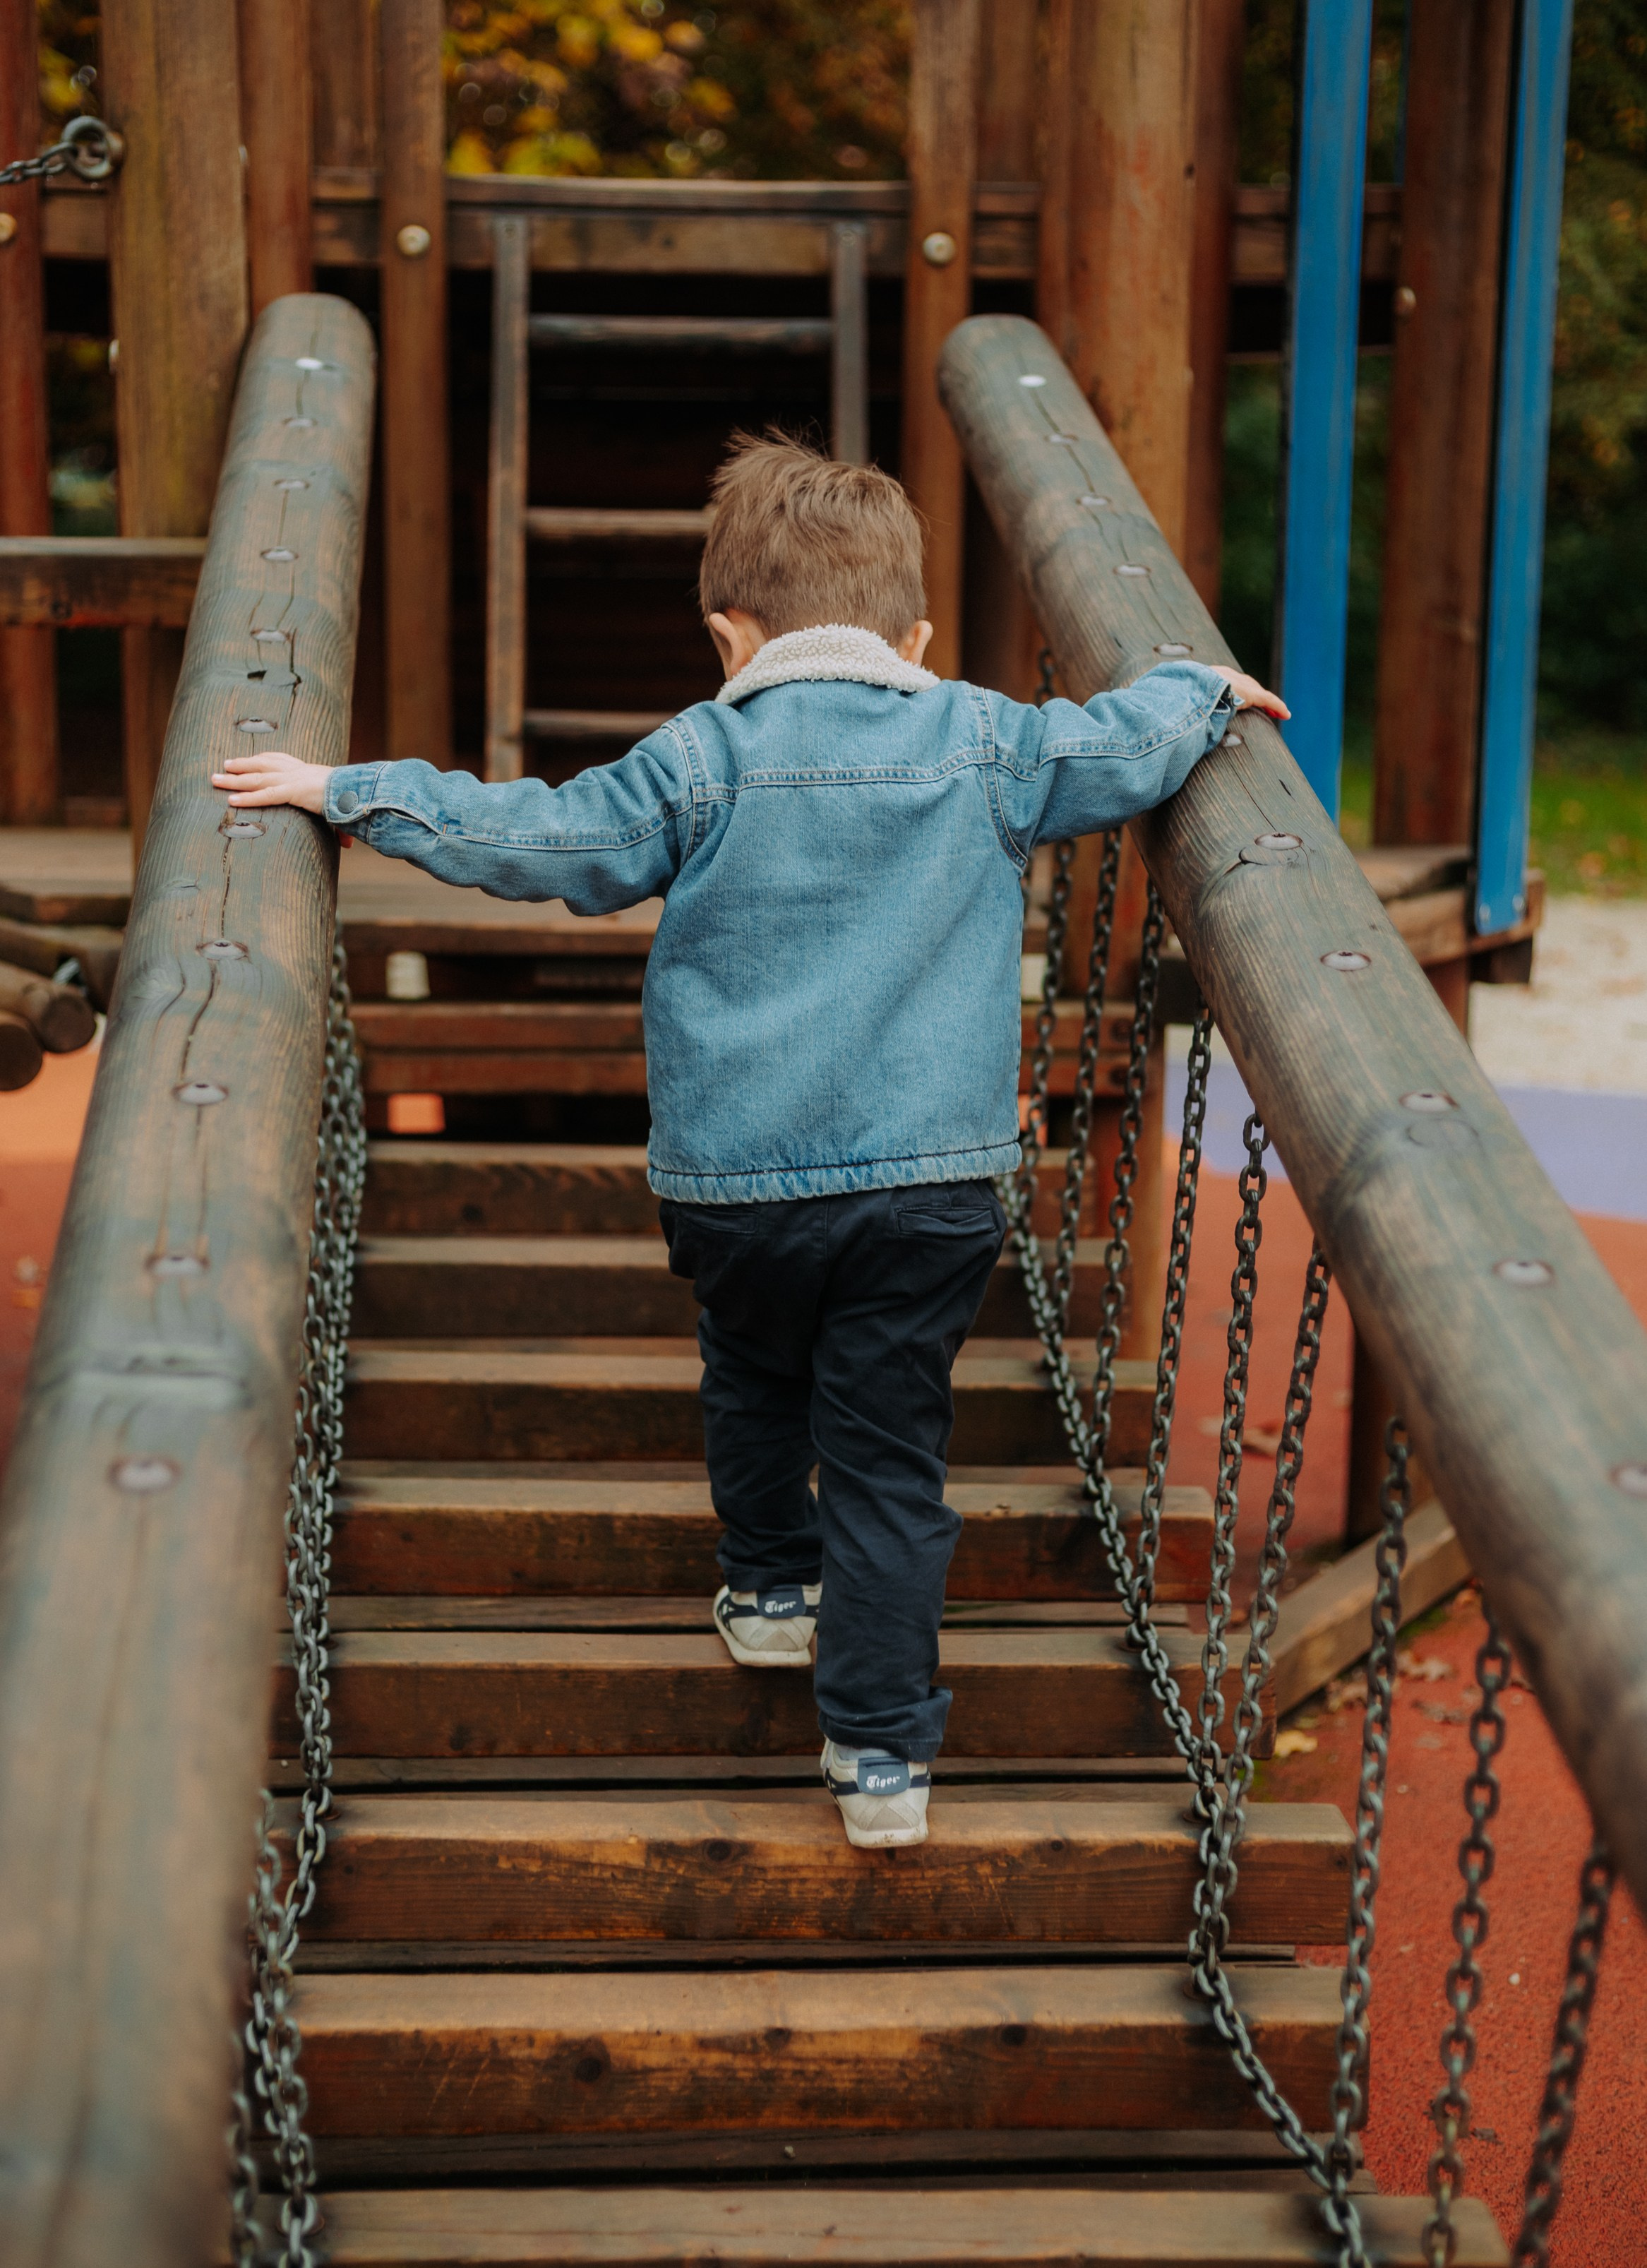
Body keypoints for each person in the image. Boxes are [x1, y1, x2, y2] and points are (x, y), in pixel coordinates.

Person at [214, 430, 1287, 1851]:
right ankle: (885, 1759)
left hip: (739, 1187)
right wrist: (1203, 688)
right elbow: (1124, 741)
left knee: (753, 1375)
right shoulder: (985, 738)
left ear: (730, 634)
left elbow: (539, 839)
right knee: (893, 1456)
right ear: (911, 634)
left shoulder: (701, 755)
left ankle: (773, 1591)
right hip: (931, 1189)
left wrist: (350, 791)